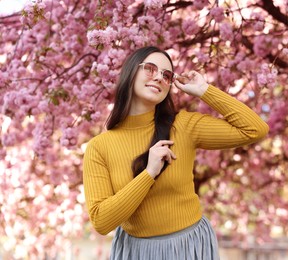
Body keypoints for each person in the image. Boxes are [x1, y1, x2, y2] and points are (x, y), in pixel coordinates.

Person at [83, 46, 269, 260]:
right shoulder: (99, 147)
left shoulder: (183, 126)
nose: (159, 78)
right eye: (150, 69)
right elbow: (101, 221)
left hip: (189, 247)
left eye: (166, 75)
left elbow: (255, 129)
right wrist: (148, 174)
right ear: (131, 72)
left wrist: (204, 90)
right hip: (135, 253)